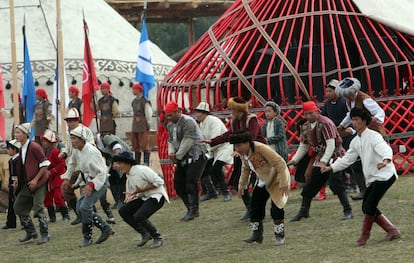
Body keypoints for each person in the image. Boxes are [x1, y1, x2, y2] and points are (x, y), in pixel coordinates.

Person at [321, 107, 400, 246]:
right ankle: (391, 230)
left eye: (356, 119)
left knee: (369, 206)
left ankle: (365, 235)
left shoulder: (374, 136)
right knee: (366, 207)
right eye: (352, 119)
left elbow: (384, 148)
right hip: (373, 178)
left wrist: (386, 160)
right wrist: (331, 167)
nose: (354, 122)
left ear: (364, 121)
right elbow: (347, 159)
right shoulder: (356, 141)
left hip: (385, 175)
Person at [287, 101, 353, 222]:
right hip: (321, 155)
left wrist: (324, 161)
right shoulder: (305, 126)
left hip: (334, 155)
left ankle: (347, 210)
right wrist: (294, 160)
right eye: (305, 114)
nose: (308, 116)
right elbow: (304, 145)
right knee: (312, 182)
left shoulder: (326, 123)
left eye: (310, 113)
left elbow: (331, 144)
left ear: (317, 112)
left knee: (335, 182)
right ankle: (304, 210)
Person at [204, 96, 267, 221]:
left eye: (233, 110)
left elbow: (252, 136)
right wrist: (212, 141)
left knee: (259, 183)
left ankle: (259, 209)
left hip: (256, 154)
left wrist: (239, 149)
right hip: (242, 155)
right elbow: (229, 135)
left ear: (239, 111)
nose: (232, 113)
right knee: (240, 181)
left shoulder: (251, 119)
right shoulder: (235, 122)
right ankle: (250, 209)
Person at [229, 130, 290, 245]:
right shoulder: (244, 155)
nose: (236, 149)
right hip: (262, 181)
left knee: (276, 206)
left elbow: (280, 163)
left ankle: (279, 235)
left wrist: (284, 182)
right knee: (255, 205)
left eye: (238, 145)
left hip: (276, 179)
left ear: (247, 143)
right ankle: (257, 234)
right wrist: (242, 186)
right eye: (235, 146)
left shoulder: (261, 148)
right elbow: (245, 169)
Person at [64, 125, 114, 247]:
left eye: (75, 138)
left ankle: (88, 237)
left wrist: (91, 184)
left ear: (82, 139)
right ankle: (105, 227)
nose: (73, 141)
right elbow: (72, 164)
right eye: (71, 138)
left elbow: (102, 172)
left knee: (85, 207)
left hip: (99, 182)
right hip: (89, 181)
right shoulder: (77, 150)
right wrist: (67, 178)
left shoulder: (92, 152)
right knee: (80, 207)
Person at [115, 151, 169, 249]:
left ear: (128, 163)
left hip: (157, 197)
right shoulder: (129, 174)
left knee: (139, 216)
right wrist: (134, 195)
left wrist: (141, 190)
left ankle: (157, 237)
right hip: (145, 197)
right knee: (123, 211)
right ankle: (145, 233)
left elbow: (159, 182)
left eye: (120, 163)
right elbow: (138, 191)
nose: (118, 166)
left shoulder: (141, 170)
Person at [322, 79, 366, 200]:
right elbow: (325, 118)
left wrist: (349, 128)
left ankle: (355, 185)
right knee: (341, 160)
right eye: (327, 91)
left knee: (353, 159)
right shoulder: (327, 105)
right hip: (336, 136)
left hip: (348, 133)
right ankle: (345, 185)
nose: (328, 93)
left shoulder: (344, 102)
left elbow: (351, 117)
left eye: (330, 91)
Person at [165, 101, 208, 221]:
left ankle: (194, 210)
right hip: (182, 157)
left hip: (197, 155)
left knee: (191, 182)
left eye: (171, 115)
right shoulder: (170, 125)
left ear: (178, 112)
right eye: (167, 115)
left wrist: (177, 156)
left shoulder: (188, 121)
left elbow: (188, 140)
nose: (169, 118)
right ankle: (190, 208)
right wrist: (171, 153)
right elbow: (170, 140)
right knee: (178, 185)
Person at [13, 123, 50, 245]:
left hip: (39, 182)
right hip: (27, 183)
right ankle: (31, 232)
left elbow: (44, 164)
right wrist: (18, 180)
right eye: (15, 132)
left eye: (18, 132)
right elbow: (23, 167)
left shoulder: (34, 146)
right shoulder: (21, 148)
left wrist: (35, 180)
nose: (16, 135)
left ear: (25, 134)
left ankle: (45, 234)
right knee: (18, 206)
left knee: (38, 207)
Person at [60, 108, 95, 225]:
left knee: (85, 195)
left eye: (72, 121)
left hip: (86, 168)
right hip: (74, 167)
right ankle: (79, 215)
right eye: (68, 121)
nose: (70, 123)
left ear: (77, 120)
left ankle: (93, 218)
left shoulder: (86, 131)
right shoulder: (70, 133)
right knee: (65, 190)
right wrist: (64, 152)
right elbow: (68, 147)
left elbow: (91, 147)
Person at [194, 102, 233, 202]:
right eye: (197, 112)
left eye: (199, 112)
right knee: (203, 170)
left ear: (205, 113)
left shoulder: (213, 121)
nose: (197, 115)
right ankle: (210, 191)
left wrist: (206, 147)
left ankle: (226, 192)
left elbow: (215, 139)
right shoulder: (202, 124)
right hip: (213, 150)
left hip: (224, 147)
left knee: (216, 168)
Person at [40, 129, 69, 222]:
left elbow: (61, 164)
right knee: (47, 198)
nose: (44, 143)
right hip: (49, 179)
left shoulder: (56, 151)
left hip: (58, 177)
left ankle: (65, 215)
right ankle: (52, 217)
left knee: (58, 196)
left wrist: (51, 172)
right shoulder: (44, 152)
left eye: (46, 141)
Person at [96, 133, 130, 210]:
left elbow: (117, 148)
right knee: (112, 178)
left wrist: (116, 162)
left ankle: (122, 201)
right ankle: (117, 201)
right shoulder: (97, 145)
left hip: (124, 155)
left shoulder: (106, 138)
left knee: (120, 178)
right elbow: (106, 155)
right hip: (114, 158)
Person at [131, 83, 153, 166]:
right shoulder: (133, 101)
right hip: (135, 125)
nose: (133, 91)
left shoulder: (145, 101)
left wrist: (148, 123)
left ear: (139, 90)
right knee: (135, 144)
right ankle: (137, 162)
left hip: (143, 124)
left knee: (144, 143)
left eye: (134, 89)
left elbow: (148, 113)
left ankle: (146, 162)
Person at [1, 139, 21, 229]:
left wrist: (15, 182)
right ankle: (11, 222)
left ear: (15, 149)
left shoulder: (18, 160)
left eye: (9, 149)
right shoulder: (11, 160)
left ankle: (24, 222)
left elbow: (17, 173)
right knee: (11, 204)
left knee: (19, 204)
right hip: (12, 183)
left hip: (17, 183)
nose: (7, 150)